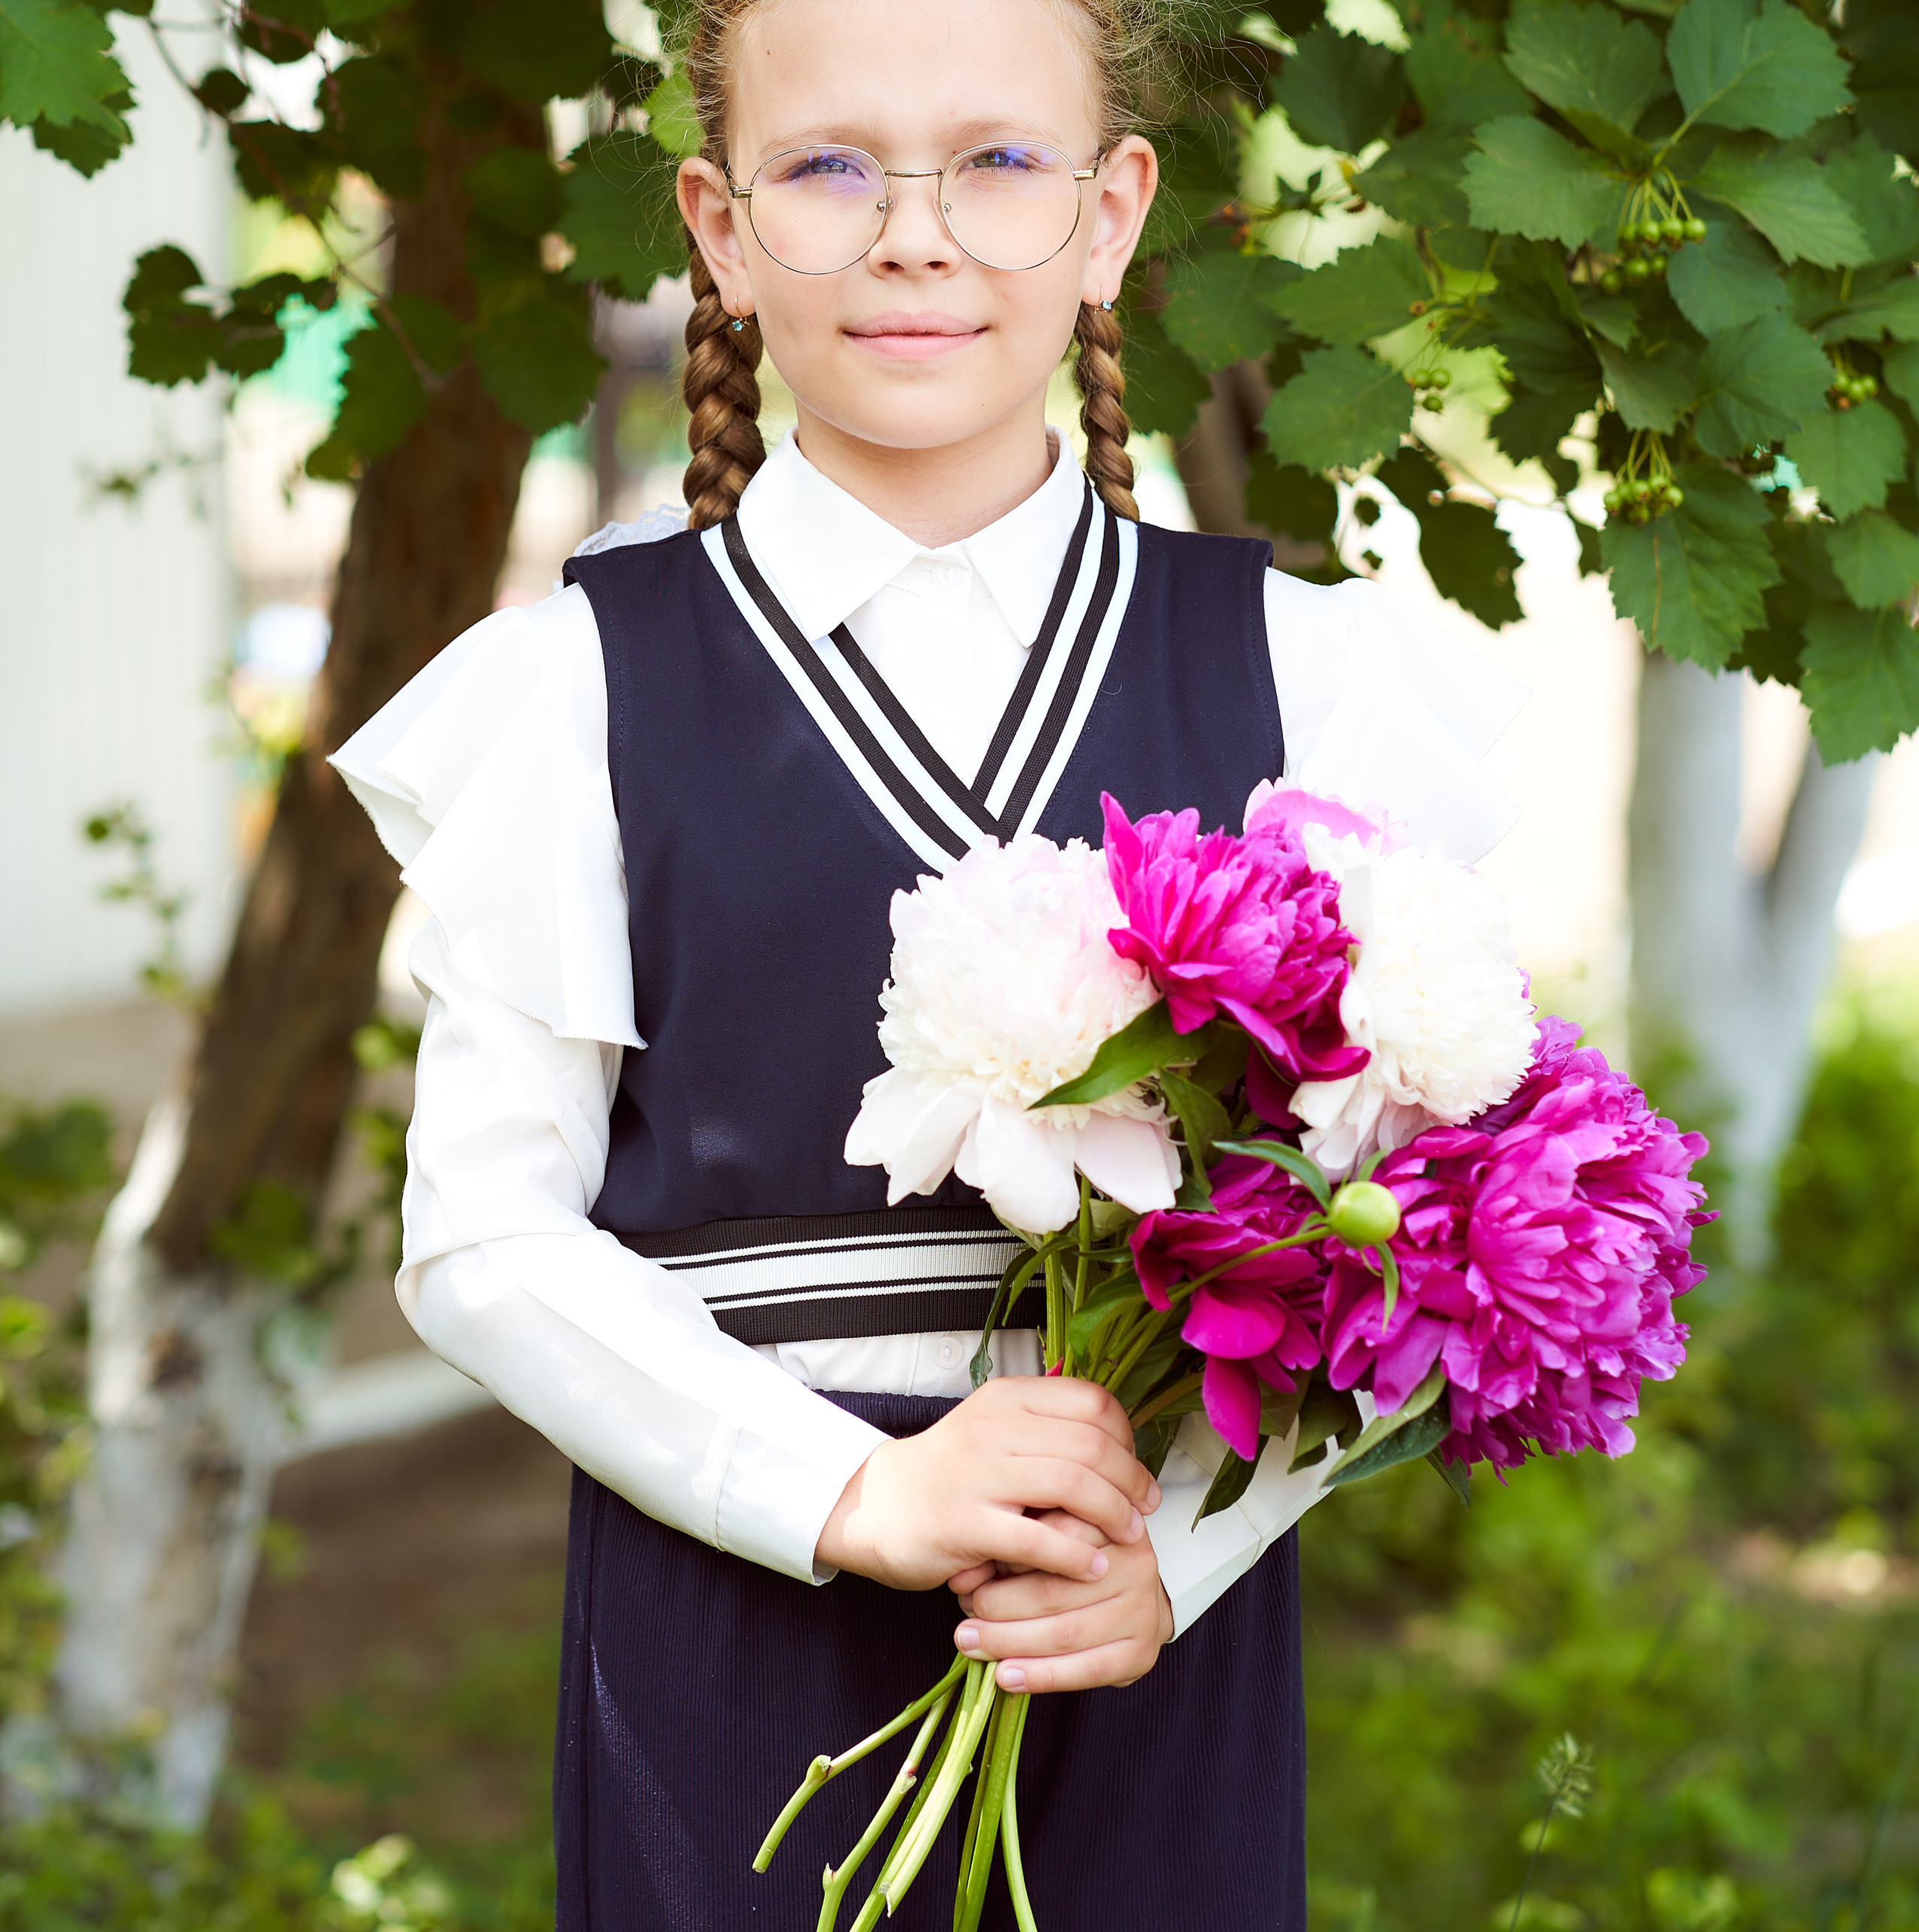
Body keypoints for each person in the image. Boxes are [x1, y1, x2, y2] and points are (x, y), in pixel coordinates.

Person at [333, 1, 1526, 1924]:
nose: (912, 235)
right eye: (826, 167)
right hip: (729, 1618)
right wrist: (846, 1489)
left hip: (1126, 1623)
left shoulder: (1300, 672)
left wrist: (1172, 1557)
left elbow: (1411, 1228)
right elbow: (480, 1234)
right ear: (718, 230)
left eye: (994, 162)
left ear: (1110, 214)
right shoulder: (581, 687)